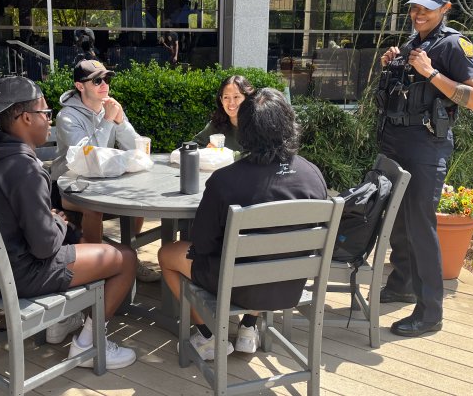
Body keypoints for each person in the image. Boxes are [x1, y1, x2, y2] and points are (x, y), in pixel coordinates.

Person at [0, 76, 137, 369]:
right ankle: (88, 344)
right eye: (46, 114)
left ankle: (65, 319)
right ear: (25, 118)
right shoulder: (24, 169)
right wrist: (56, 222)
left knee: (85, 241)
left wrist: (55, 222)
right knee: (126, 258)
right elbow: (45, 246)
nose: (50, 121)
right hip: (20, 274)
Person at [158, 88, 328, 359]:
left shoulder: (225, 180)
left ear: (245, 131)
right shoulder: (313, 174)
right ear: (289, 125)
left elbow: (202, 243)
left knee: (167, 253)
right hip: (291, 282)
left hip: (235, 284)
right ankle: (248, 328)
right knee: (270, 253)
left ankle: (208, 335)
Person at [376, 0, 473, 337]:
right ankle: (403, 282)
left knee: (420, 224)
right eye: (415, 7)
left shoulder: (455, 46)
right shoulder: (412, 42)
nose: (418, 14)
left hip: (425, 145)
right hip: (396, 140)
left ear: (445, 9)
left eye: (427, 9)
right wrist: (391, 63)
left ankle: (430, 312)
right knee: (399, 219)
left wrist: (432, 73)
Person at [50, 60, 161, 283]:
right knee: (94, 208)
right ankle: (97, 268)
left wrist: (120, 122)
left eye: (107, 79)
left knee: (137, 203)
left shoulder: (109, 108)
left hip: (103, 182)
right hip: (68, 185)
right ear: (80, 86)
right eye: (97, 80)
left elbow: (136, 147)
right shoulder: (67, 117)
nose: (105, 85)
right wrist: (109, 121)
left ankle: (130, 257)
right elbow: (87, 157)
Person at [192, 75, 253, 151]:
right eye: (226, 97)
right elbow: (193, 147)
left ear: (247, 98)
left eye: (236, 97)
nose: (231, 102)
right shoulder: (216, 125)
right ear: (221, 100)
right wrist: (206, 151)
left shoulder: (259, 125)